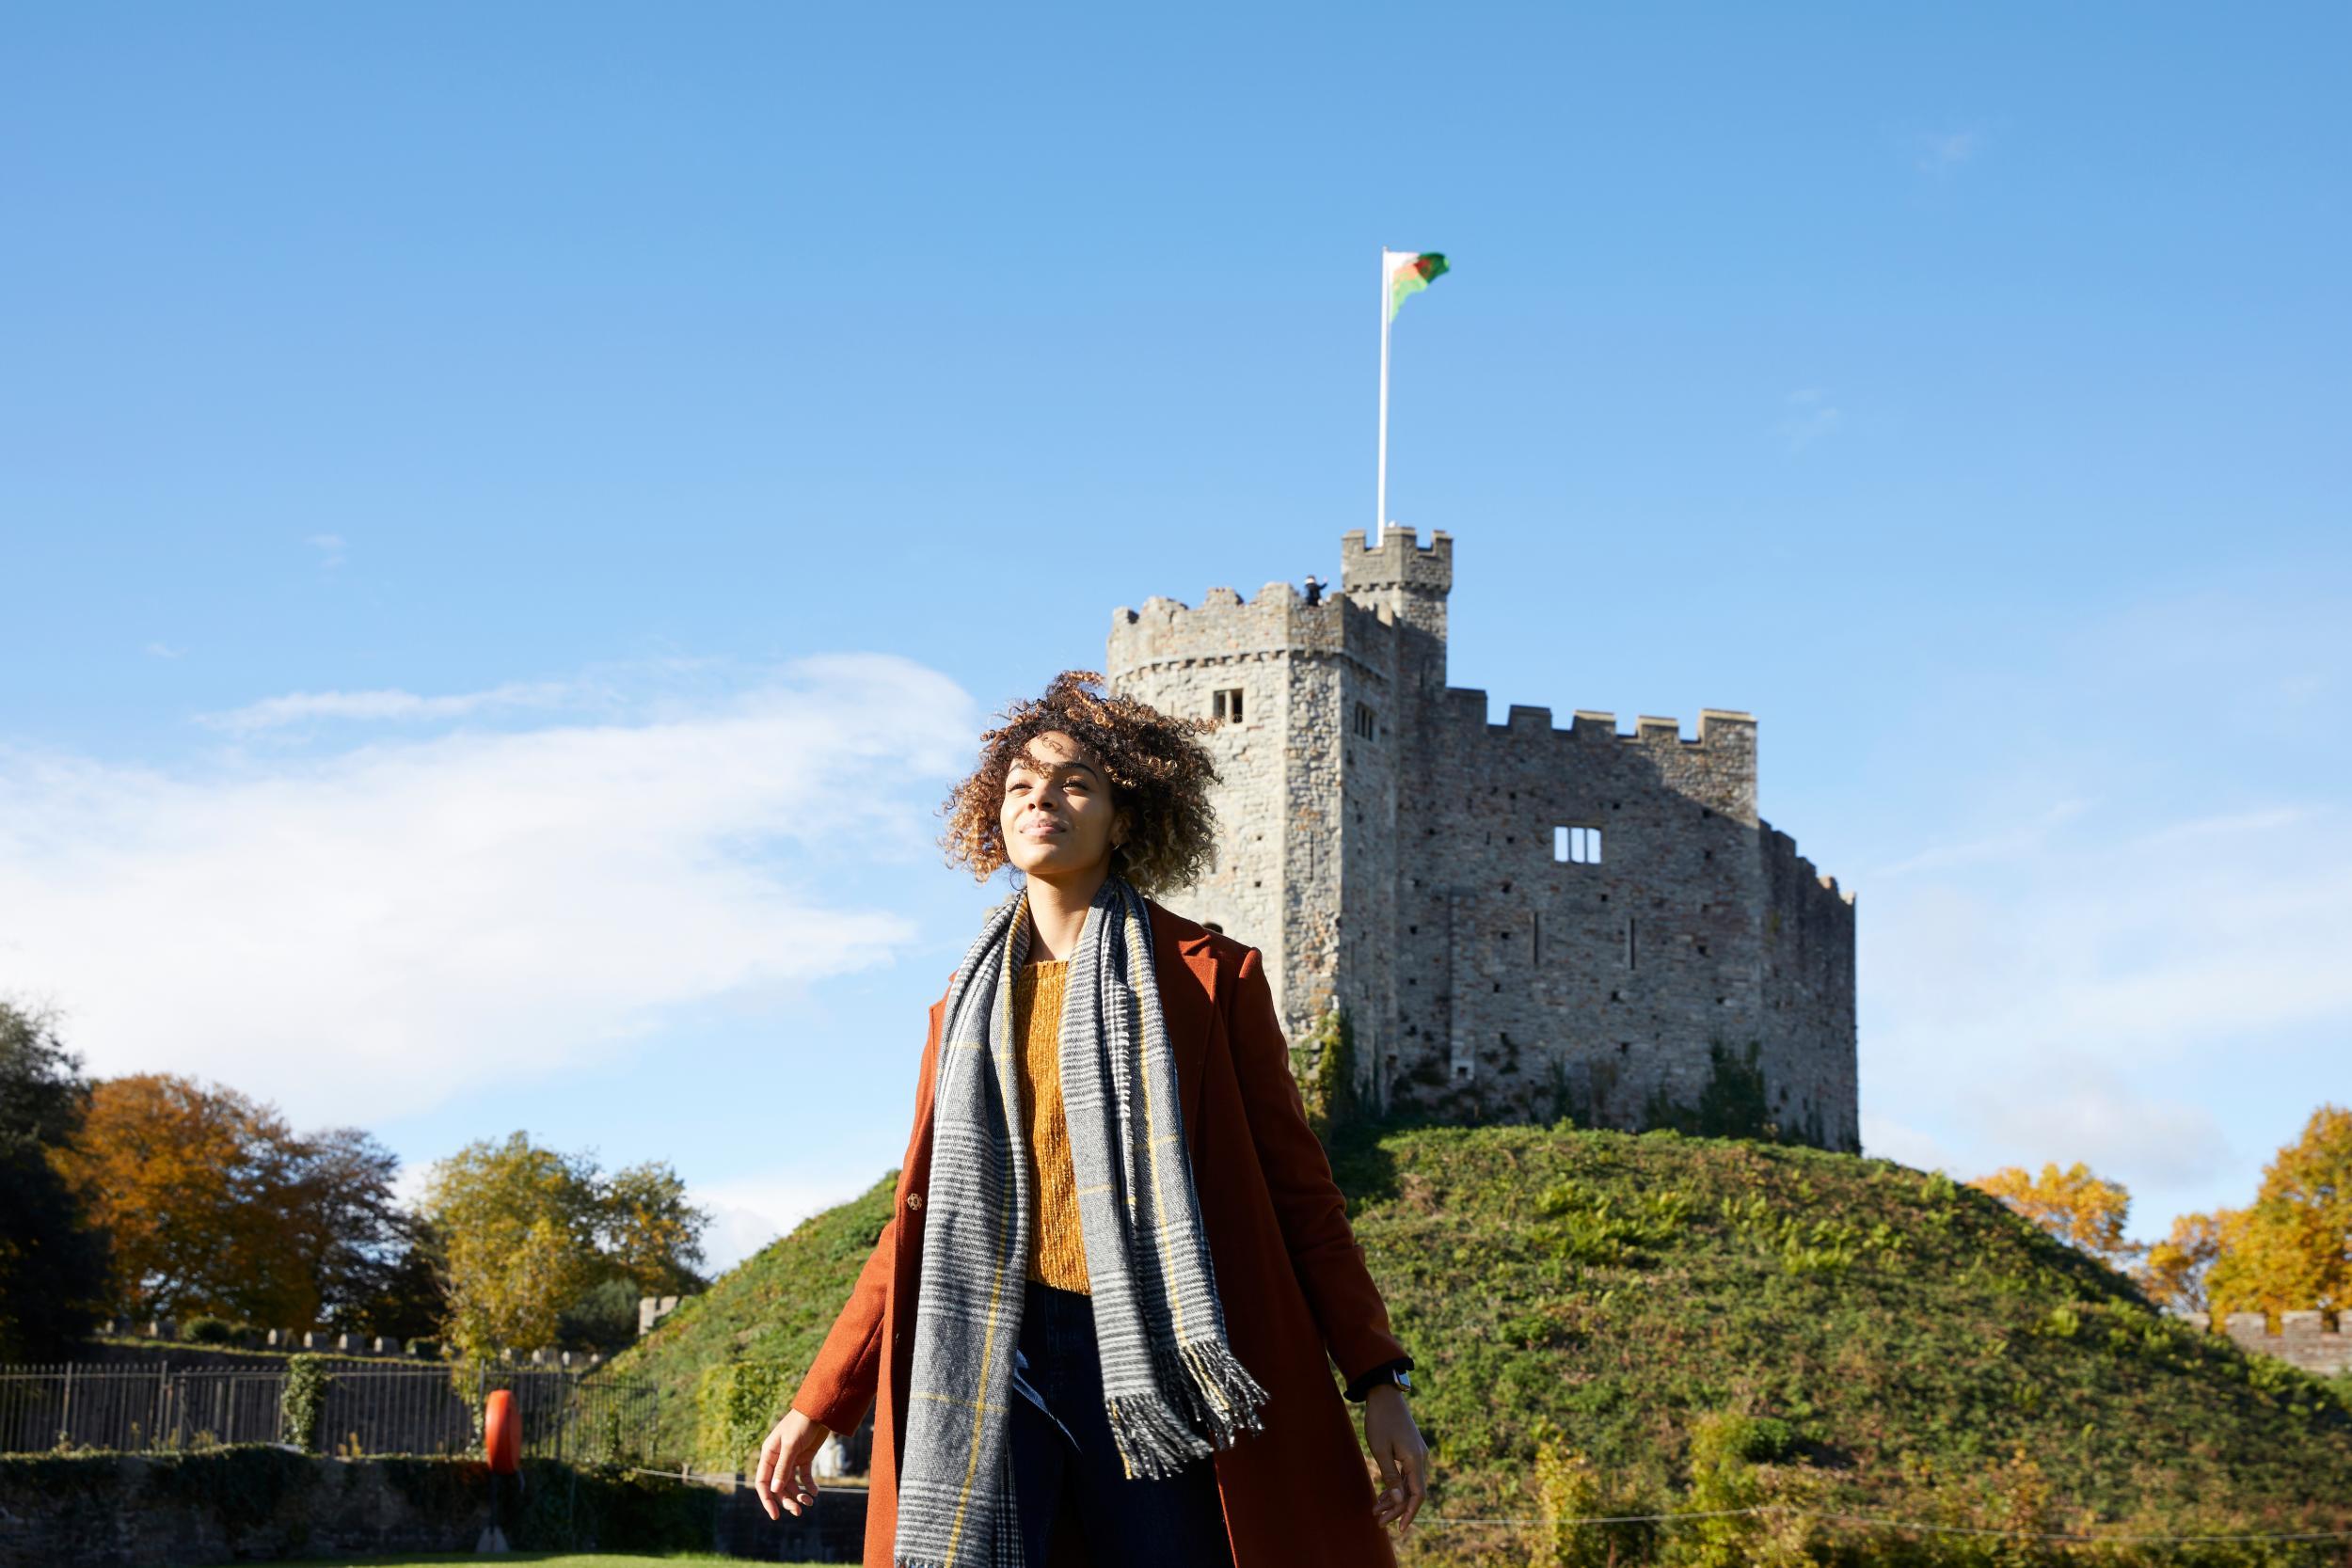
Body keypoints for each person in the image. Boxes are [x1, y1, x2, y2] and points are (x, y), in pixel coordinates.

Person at [753, 670, 1428, 1568]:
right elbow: (918, 1221)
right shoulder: (960, 1008)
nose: (1043, 801)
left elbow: (1302, 1195)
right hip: (996, 1355)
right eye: (1021, 787)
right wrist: (821, 1399)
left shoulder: (1210, 978)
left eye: (1075, 783)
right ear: (993, 818)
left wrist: (1378, 1376)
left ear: (1125, 815)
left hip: (1155, 1357)